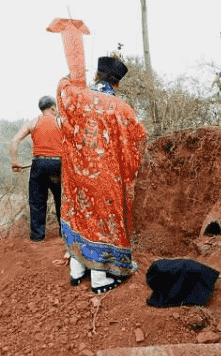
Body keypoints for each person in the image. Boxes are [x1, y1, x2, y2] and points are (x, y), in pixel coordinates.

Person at [57, 55, 147, 294]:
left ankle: (76, 271)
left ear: (96, 75)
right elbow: (139, 139)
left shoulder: (78, 95)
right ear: (117, 82)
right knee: (103, 221)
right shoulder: (122, 108)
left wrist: (73, 75)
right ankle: (99, 277)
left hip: (77, 173)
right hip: (106, 177)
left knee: (79, 215)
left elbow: (63, 92)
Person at [10, 96, 62, 242]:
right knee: (61, 200)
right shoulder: (60, 121)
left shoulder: (33, 122)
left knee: (37, 200)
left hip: (38, 164)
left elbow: (15, 140)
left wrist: (15, 161)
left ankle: (37, 236)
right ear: (52, 108)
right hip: (57, 165)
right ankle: (64, 233)